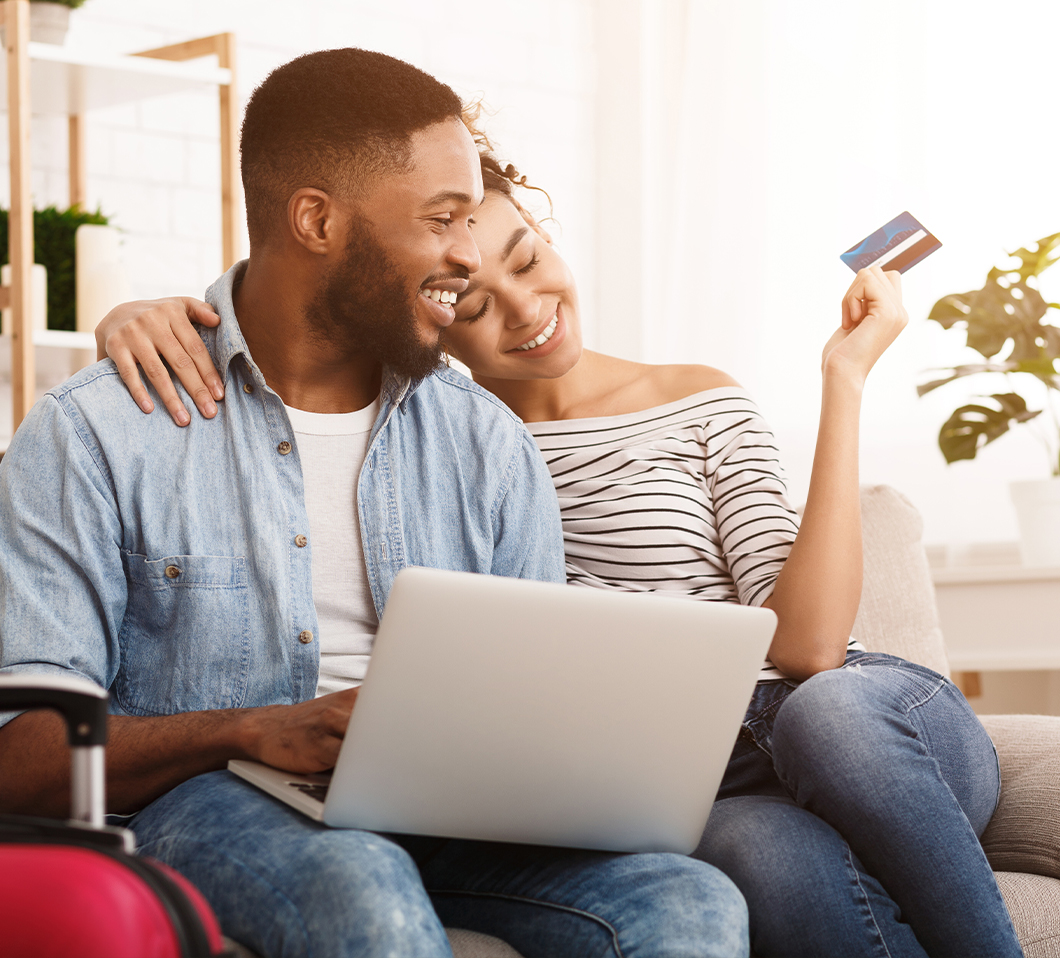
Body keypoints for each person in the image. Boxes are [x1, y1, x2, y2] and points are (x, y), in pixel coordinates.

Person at [102, 134, 1026, 957]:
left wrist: (844, 381)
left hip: (868, 724)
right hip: (708, 782)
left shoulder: (697, 397)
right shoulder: (445, 451)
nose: (525, 307)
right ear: (425, 317)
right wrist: (142, 313)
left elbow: (812, 652)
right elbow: (294, 312)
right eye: (473, 305)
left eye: (527, 259)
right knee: (758, 861)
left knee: (827, 716)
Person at [0, 50, 751, 958]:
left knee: (688, 899)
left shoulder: (485, 441)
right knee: (360, 884)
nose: (467, 257)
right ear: (316, 220)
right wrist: (256, 729)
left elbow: (538, 709)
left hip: (452, 816)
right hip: (197, 808)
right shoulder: (99, 433)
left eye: (470, 220)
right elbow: (22, 756)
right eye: (442, 220)